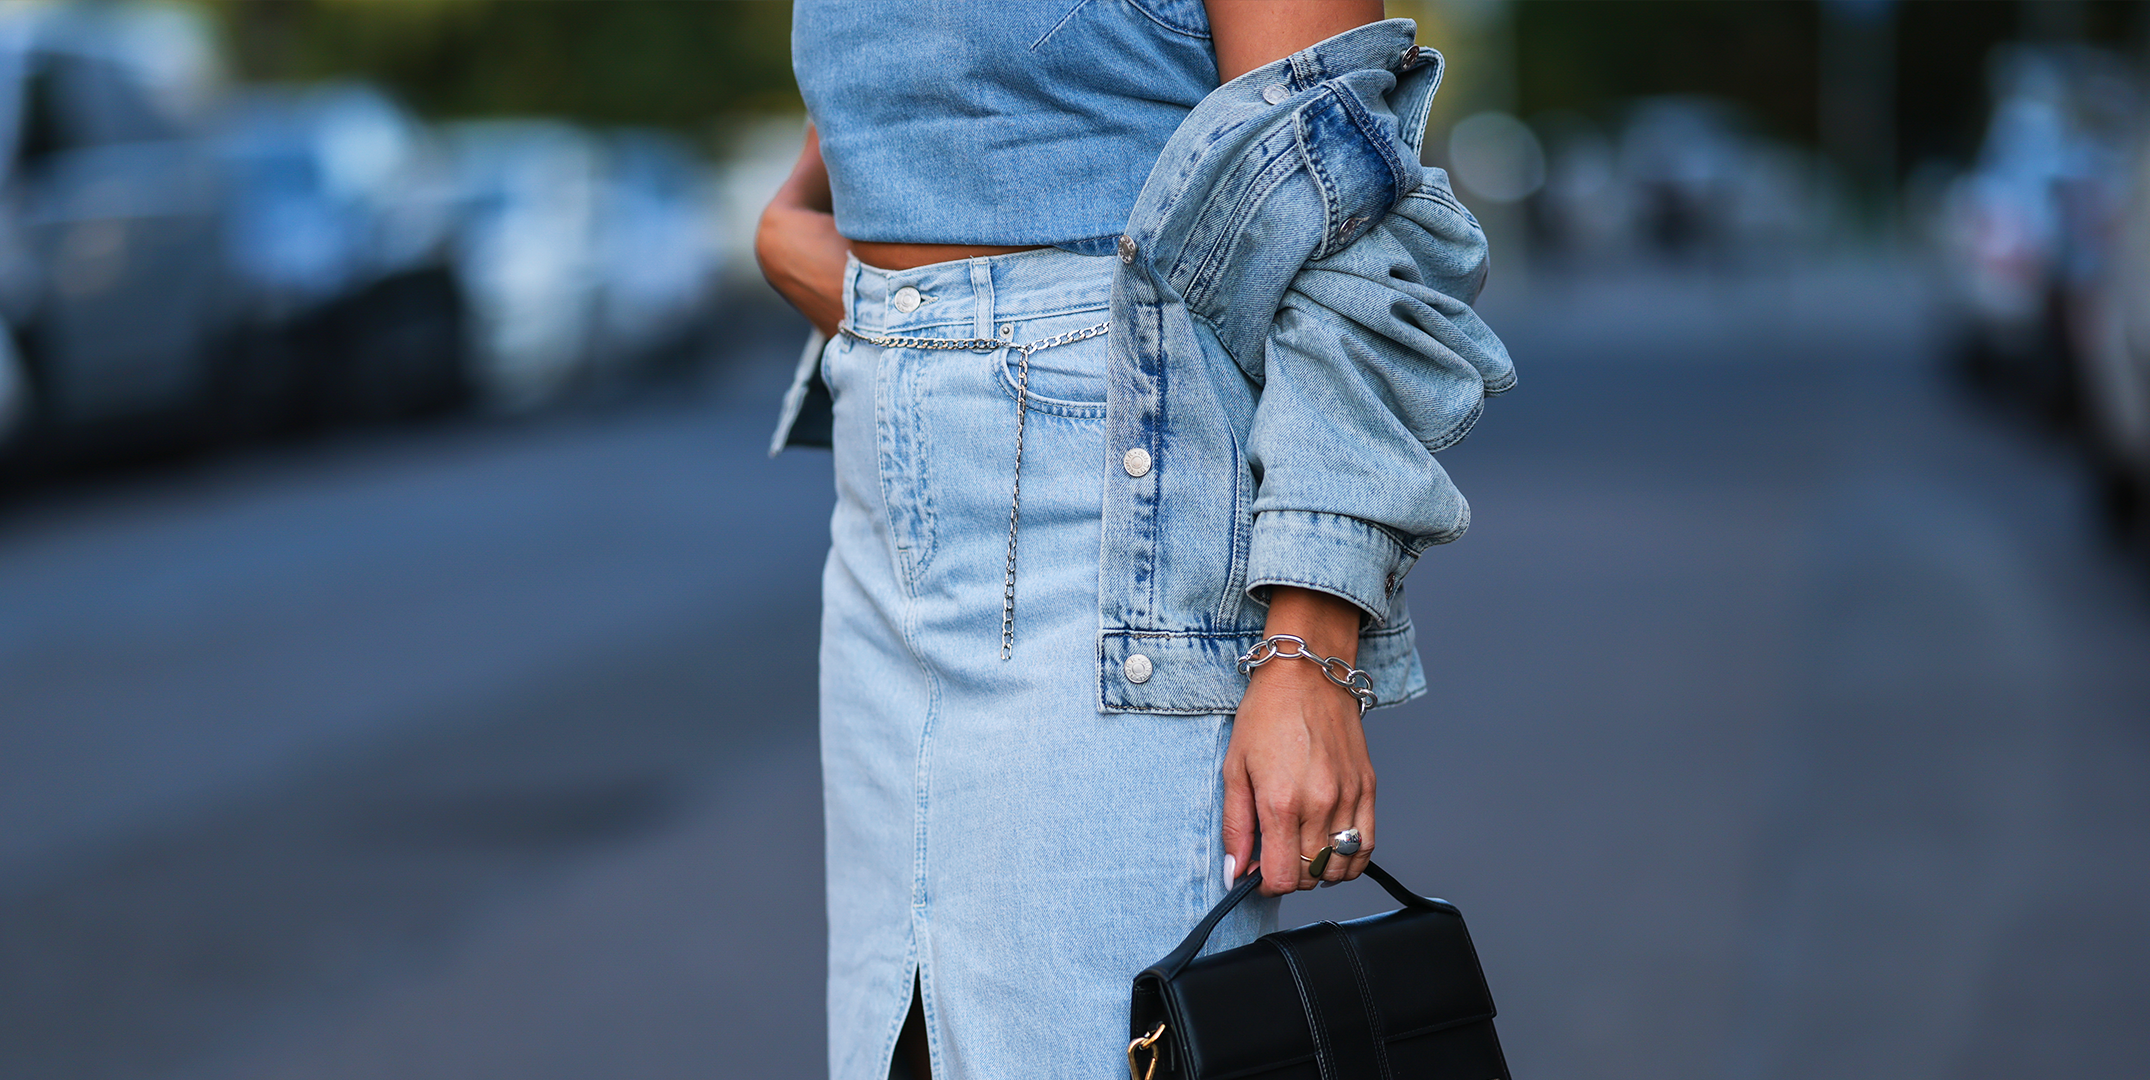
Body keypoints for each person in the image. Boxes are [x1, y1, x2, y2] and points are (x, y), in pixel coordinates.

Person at [758, 3, 1512, 1078]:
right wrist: (835, 277)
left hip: (1114, 518)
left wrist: (1310, 647)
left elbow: (1359, 237)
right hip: (884, 544)